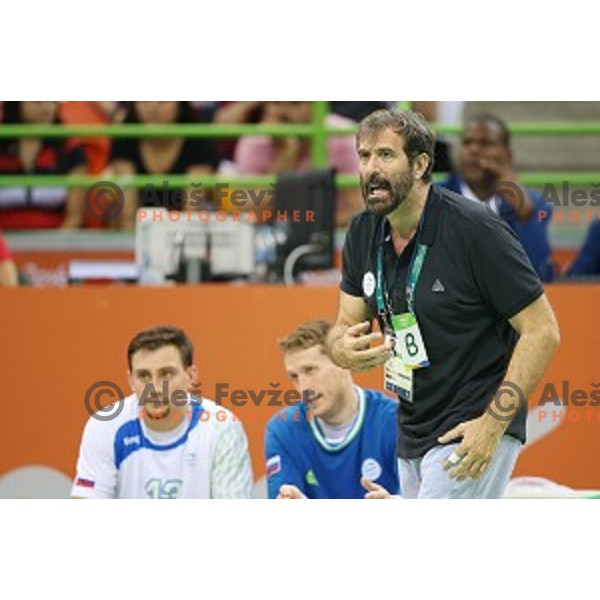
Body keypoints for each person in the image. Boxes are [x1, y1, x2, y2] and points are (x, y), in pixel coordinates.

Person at [328, 109, 560, 499]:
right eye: (364, 156)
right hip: (413, 425)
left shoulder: (476, 230)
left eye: (385, 155)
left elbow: (543, 331)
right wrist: (342, 351)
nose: (370, 169)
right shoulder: (362, 230)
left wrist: (492, 424)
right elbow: (342, 326)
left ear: (420, 165)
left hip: (472, 420)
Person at [72, 325, 253, 499]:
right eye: (144, 376)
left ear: (191, 377)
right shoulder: (105, 425)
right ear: (131, 381)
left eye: (166, 374)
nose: (156, 388)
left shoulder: (222, 427)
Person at [265, 320, 400, 499]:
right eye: (294, 377)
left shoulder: (394, 420)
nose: (303, 388)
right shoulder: (283, 429)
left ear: (342, 363)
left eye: (310, 370)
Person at [440, 114, 554, 281]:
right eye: (467, 143)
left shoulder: (534, 205)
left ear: (508, 155)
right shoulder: (434, 198)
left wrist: (525, 216)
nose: (474, 150)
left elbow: (541, 276)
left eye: (486, 143)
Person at [233, 101, 361, 226]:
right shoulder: (253, 141)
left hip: (334, 234)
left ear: (316, 108)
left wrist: (307, 229)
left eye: (295, 103)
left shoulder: (342, 135)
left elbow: (358, 211)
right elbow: (250, 216)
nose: (282, 112)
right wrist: (288, 154)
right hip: (269, 236)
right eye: (275, 102)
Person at [110, 101, 220, 230]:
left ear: (180, 104)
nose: (153, 107)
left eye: (162, 101)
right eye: (144, 101)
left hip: (184, 232)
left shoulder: (198, 137)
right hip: (140, 231)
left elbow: (191, 212)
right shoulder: (125, 135)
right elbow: (127, 215)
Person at [0, 101, 88, 230]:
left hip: (55, 246)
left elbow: (74, 218)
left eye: (53, 101)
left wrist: (54, 246)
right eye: (38, 101)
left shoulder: (71, 150)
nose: (48, 107)